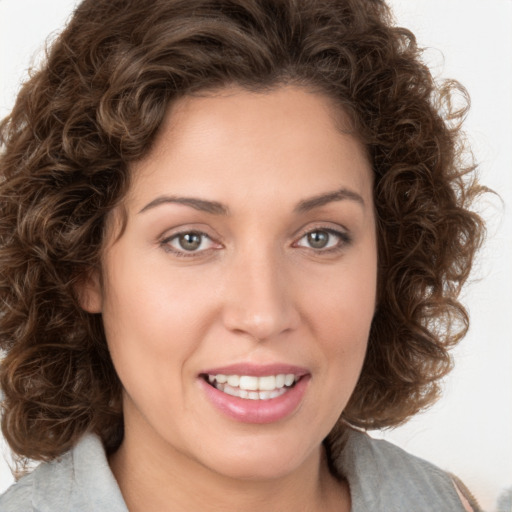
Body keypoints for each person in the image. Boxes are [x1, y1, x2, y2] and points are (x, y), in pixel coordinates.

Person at [0, 0, 486, 510]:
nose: (263, 314)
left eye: (320, 237)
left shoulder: (446, 501)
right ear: (83, 264)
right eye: (190, 239)